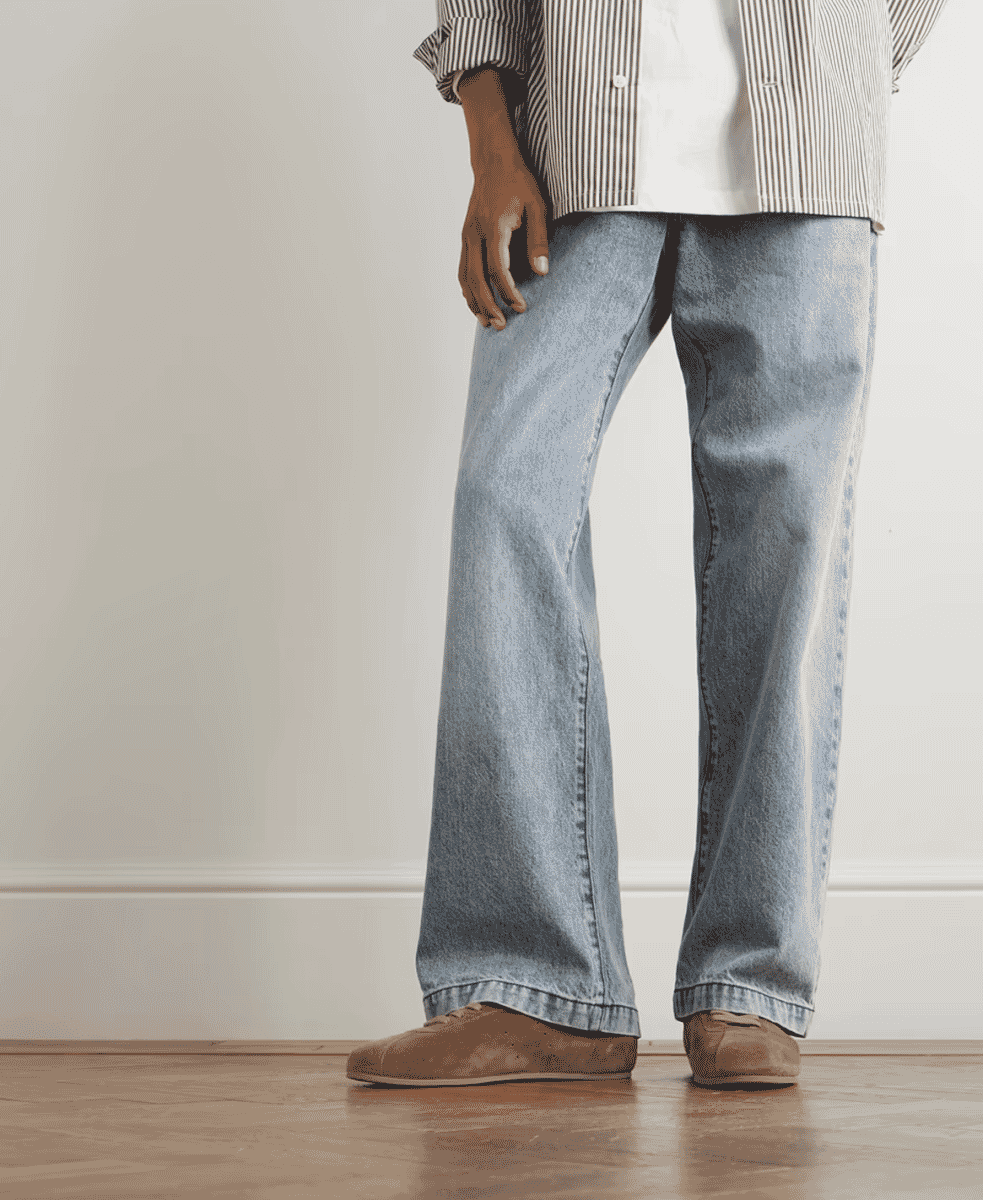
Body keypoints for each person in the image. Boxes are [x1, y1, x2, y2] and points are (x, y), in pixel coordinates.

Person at [347, 0, 949, 1089]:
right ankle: (537, 988)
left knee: (785, 550)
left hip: (803, 155)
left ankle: (747, 983)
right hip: (573, 150)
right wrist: (489, 130)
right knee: (505, 499)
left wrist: (841, 60)